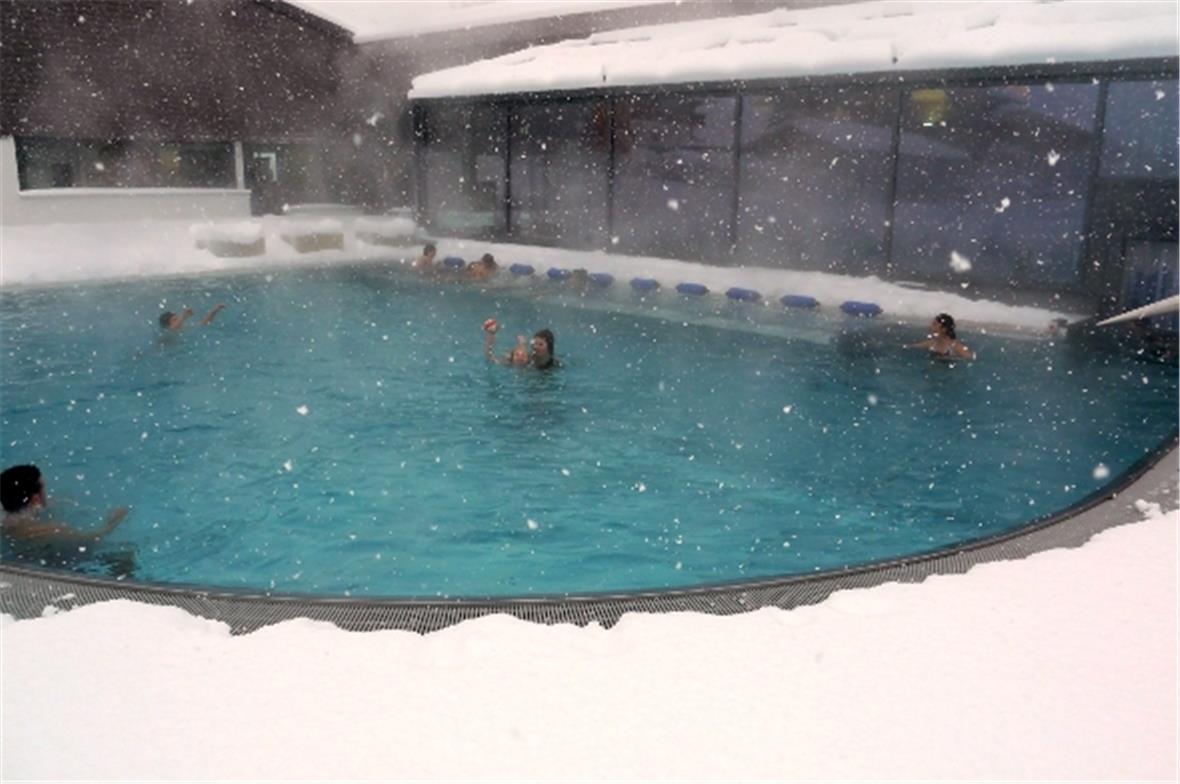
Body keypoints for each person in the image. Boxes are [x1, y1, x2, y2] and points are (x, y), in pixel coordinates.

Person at [1, 464, 128, 548]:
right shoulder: (52, 530)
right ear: (35, 499)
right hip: (53, 566)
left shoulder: (6, 520)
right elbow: (93, 540)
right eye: (44, 489)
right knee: (125, 554)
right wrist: (113, 522)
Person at [483, 319, 558, 369]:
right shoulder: (528, 359)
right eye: (535, 343)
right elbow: (490, 358)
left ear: (549, 346)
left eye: (540, 344)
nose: (536, 347)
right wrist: (490, 335)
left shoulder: (554, 364)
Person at [906, 313, 975, 360]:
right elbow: (911, 346)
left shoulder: (955, 347)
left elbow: (970, 358)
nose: (930, 327)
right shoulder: (932, 343)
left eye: (934, 324)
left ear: (944, 329)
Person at [159, 303, 225, 331]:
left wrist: (215, 310)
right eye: (175, 320)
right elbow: (172, 328)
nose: (178, 320)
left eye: (177, 318)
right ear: (167, 325)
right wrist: (184, 315)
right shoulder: (167, 333)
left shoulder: (184, 329)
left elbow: (204, 323)